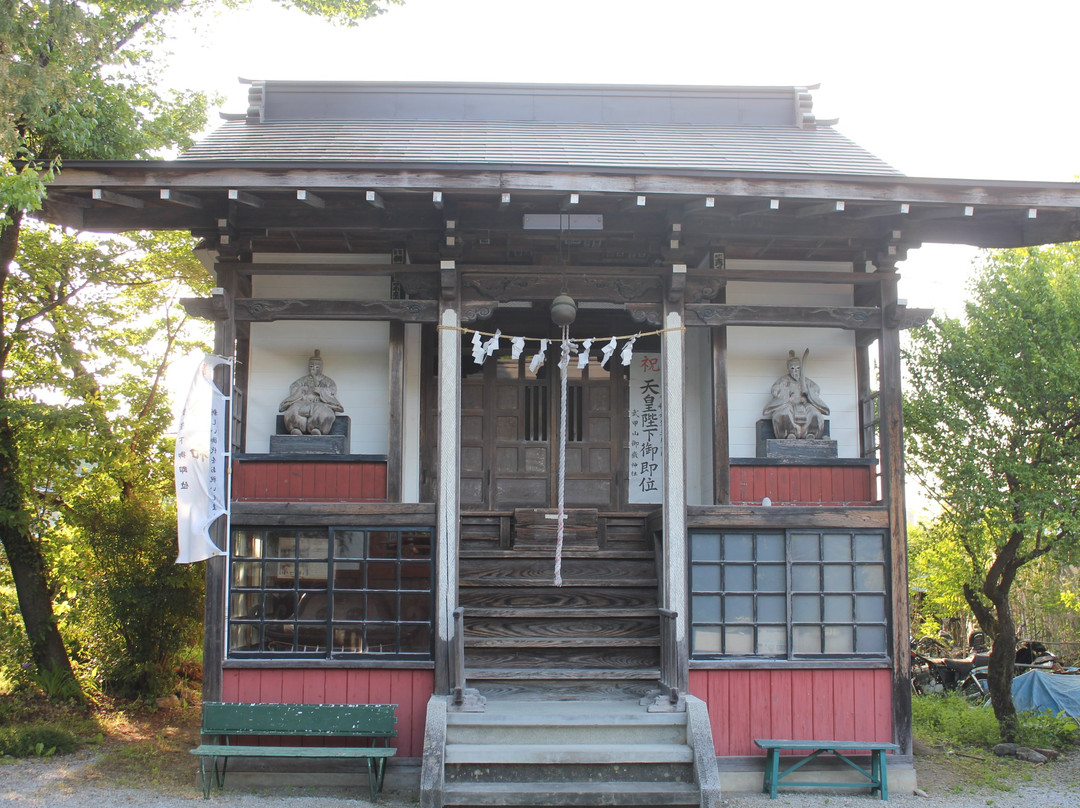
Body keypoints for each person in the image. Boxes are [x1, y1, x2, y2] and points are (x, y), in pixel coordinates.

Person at [763, 349, 829, 440]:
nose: (795, 371)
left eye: (798, 368)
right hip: (789, 405)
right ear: (788, 368)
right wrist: (785, 392)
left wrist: (809, 392)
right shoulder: (784, 380)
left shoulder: (805, 381)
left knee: (815, 413)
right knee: (783, 414)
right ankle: (790, 433)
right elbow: (775, 389)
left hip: (804, 406)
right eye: (792, 368)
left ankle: (810, 433)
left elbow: (816, 388)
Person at [279, 350, 344, 435]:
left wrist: (321, 392)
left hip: (319, 403)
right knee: (293, 409)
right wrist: (301, 390)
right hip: (303, 402)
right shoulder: (303, 380)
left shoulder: (327, 381)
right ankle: (296, 428)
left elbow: (332, 390)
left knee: (324, 412)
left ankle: (317, 429)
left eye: (317, 367)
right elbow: (293, 387)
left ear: (321, 367)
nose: (313, 369)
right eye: (311, 366)